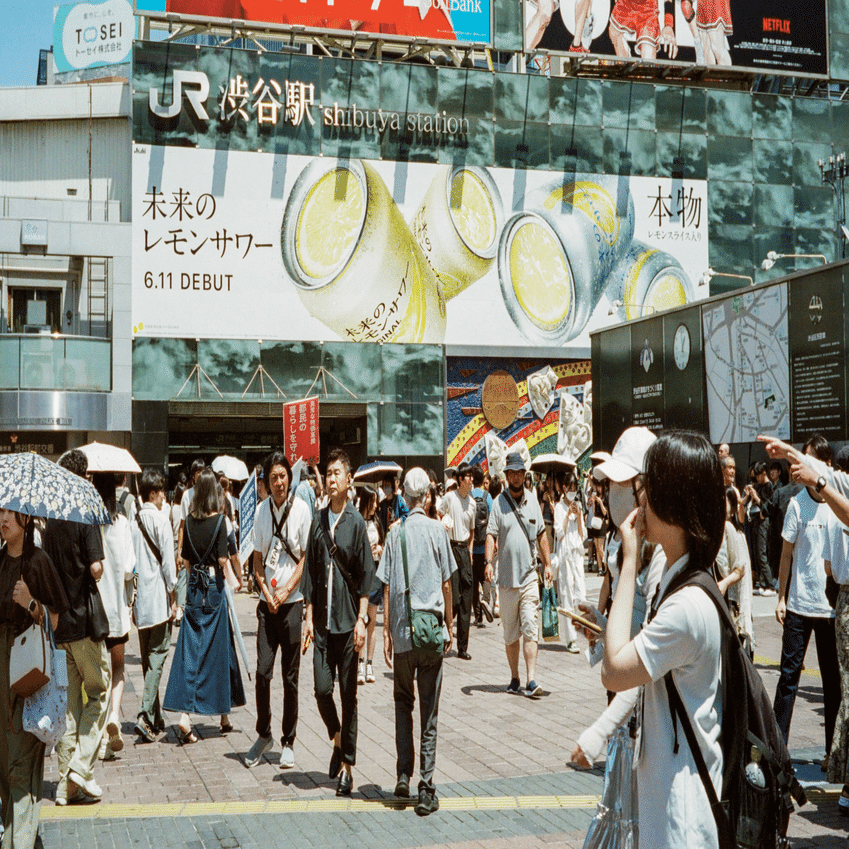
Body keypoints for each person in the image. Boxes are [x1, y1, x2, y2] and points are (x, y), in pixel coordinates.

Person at [602, 430, 726, 847]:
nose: (640, 500)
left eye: (648, 488)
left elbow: (615, 670)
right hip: (669, 799)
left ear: (674, 502)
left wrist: (630, 555)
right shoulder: (681, 583)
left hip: (682, 817)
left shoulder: (687, 605)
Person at [379, 468, 455, 817]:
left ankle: (402, 775)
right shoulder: (439, 530)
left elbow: (385, 583)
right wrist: (449, 626)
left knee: (402, 704)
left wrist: (385, 632)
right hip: (430, 632)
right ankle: (426, 787)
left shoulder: (395, 534)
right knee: (429, 712)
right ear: (427, 496)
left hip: (403, 632)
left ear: (403, 498)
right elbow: (447, 584)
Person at [301, 449, 376, 797]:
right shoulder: (317, 521)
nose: (331, 479)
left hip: (348, 624)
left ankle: (347, 766)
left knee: (349, 696)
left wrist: (363, 620)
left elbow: (366, 578)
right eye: (328, 474)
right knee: (320, 689)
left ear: (349, 481)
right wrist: (308, 617)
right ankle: (336, 738)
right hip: (322, 625)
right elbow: (312, 574)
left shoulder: (357, 523)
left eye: (336, 474)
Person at [43, 449, 109, 805]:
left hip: (58, 626)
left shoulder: (50, 519)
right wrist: (93, 565)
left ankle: (65, 787)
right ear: (84, 475)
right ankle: (79, 770)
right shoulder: (84, 512)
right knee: (99, 693)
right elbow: (96, 568)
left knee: (68, 705)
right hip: (83, 620)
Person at [0, 508, 69, 846]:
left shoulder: (38, 561)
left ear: (25, 519)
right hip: (0, 673)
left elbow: (54, 623)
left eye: (9, 512)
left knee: (22, 762)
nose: (3, 519)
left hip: (27, 672)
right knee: (3, 763)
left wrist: (30, 604)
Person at [163, 468, 246, 743]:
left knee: (191, 650)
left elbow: (185, 562)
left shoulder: (188, 521)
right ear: (216, 494)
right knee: (218, 652)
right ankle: (195, 716)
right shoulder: (221, 522)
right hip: (213, 590)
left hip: (194, 591)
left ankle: (218, 715)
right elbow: (224, 560)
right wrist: (237, 576)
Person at [772, 434, 840, 758]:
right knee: (788, 680)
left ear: (826, 465)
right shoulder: (797, 503)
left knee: (833, 685)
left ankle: (832, 754)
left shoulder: (839, 503)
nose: (802, 466)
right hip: (799, 607)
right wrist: (781, 597)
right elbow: (786, 554)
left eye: (810, 460)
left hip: (829, 610)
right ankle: (777, 753)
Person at [244, 452, 311, 770]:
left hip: (293, 605)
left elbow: (305, 558)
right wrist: (265, 591)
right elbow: (256, 559)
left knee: (291, 677)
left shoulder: (301, 510)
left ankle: (288, 741)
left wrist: (286, 590)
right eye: (273, 477)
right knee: (262, 672)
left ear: (289, 477)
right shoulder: (260, 512)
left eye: (283, 475)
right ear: (267, 483)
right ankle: (263, 734)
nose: (279, 482)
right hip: (266, 606)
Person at [484, 451, 553, 698]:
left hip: (529, 577)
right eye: (511, 473)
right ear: (506, 476)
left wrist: (547, 564)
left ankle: (531, 679)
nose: (515, 477)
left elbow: (542, 534)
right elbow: (491, 534)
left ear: (525, 475)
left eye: (519, 473)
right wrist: (488, 562)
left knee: (530, 626)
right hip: (506, 579)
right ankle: (514, 677)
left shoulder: (533, 500)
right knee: (510, 633)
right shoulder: (499, 504)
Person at [91, 472, 136, 761]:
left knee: (97, 676)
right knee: (118, 669)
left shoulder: (89, 523)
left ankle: (100, 736)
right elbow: (131, 569)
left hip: (94, 612)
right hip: (118, 611)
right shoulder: (122, 524)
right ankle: (115, 718)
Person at [131, 468, 178, 743]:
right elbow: (169, 568)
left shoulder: (133, 521)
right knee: (158, 656)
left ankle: (156, 718)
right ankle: (145, 714)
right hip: (159, 599)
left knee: (149, 660)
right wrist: (174, 595)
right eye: (161, 491)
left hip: (140, 602)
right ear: (153, 493)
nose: (164, 497)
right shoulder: (161, 521)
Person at [441, 462, 475, 660]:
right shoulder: (449, 497)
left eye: (472, 476)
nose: (471, 480)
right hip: (450, 547)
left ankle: (462, 646)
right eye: (468, 477)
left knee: (466, 598)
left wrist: (470, 551)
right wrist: (443, 523)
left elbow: (471, 531)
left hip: (464, 550)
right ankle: (446, 634)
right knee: (452, 596)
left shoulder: (472, 503)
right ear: (460, 479)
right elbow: (437, 511)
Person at [553, 469, 585, 654]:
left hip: (577, 554)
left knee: (580, 593)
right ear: (564, 488)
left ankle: (582, 631)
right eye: (570, 488)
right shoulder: (559, 508)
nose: (573, 492)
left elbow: (582, 535)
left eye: (575, 488)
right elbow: (559, 533)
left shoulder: (578, 506)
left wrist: (579, 516)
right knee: (566, 593)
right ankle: (570, 639)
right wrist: (566, 516)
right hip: (565, 554)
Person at [356, 487, 384, 685]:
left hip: (375, 572)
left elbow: (382, 542)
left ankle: (369, 663)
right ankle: (358, 663)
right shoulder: (357, 522)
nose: (375, 505)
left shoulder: (377, 522)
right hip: (361, 576)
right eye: (372, 501)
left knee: (372, 621)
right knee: (361, 620)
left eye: (376, 501)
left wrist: (379, 548)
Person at [743, 461, 775, 595]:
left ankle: (770, 585)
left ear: (763, 473)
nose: (756, 479)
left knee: (762, 553)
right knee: (757, 553)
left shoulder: (769, 486)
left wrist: (755, 496)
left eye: (758, 476)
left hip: (763, 522)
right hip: (756, 521)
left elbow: (767, 506)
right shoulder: (760, 485)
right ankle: (762, 584)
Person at [469, 466, 493, 628]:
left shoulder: (468, 497)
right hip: (485, 546)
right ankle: (486, 599)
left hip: (471, 547)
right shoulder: (487, 496)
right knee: (486, 576)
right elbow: (492, 521)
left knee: (473, 583)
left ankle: (477, 616)